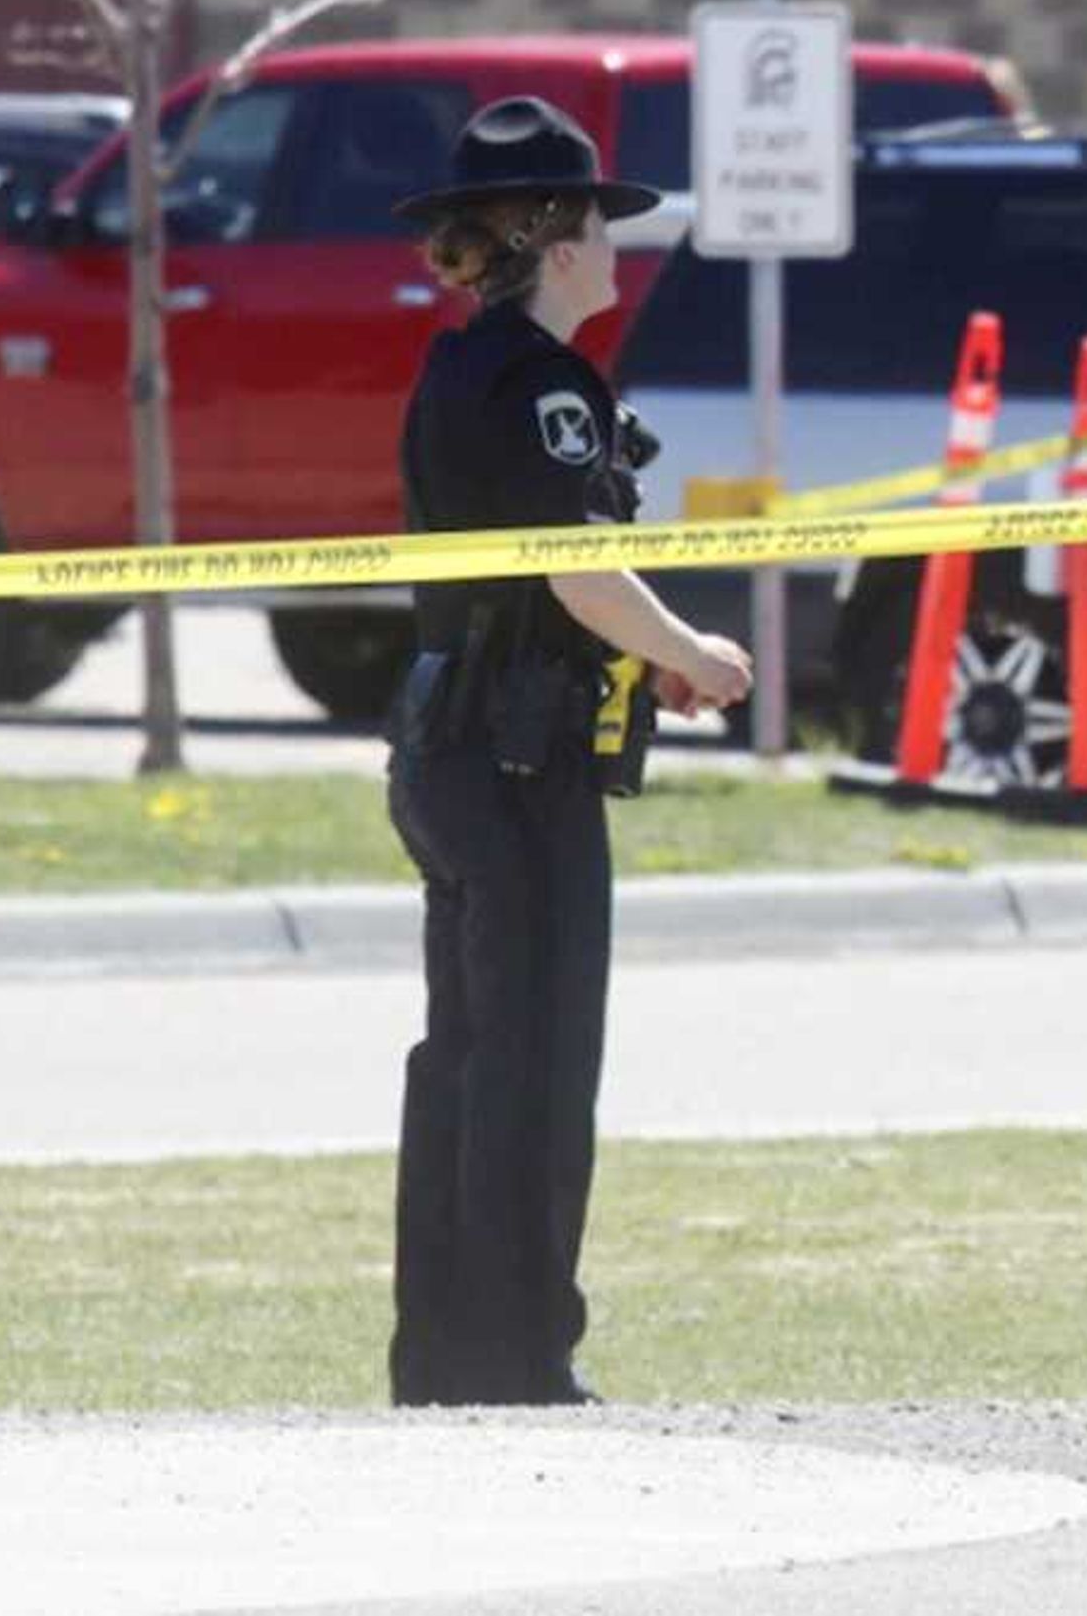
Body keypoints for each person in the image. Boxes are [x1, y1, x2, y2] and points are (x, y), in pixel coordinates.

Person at [384, 94, 753, 1407]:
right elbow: (576, 567)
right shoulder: (545, 388)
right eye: (600, 224)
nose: (618, 247)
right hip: (515, 762)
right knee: (533, 1060)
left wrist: (639, 633)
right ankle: (520, 1351)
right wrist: (691, 649)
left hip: (448, 751)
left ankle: (440, 1348)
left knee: (464, 1057)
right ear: (548, 235)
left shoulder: (453, 367)